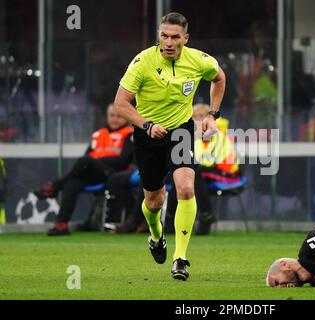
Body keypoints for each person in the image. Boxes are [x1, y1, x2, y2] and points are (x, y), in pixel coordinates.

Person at [114, 12, 226, 281]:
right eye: (164, 35)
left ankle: (181, 258)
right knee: (154, 202)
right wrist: (147, 125)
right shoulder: (142, 63)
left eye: (175, 37)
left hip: (180, 131)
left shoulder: (199, 60)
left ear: (185, 39)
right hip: (147, 135)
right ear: (158, 36)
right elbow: (121, 104)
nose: (168, 42)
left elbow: (219, 78)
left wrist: (212, 114)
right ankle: (156, 236)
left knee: (186, 188)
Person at [34, 104, 134, 236]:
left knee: (84, 161)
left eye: (119, 116)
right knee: (72, 183)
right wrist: (93, 162)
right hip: (94, 173)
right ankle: (61, 224)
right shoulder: (98, 134)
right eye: (112, 115)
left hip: (113, 174)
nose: (115, 119)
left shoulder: (129, 134)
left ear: (126, 117)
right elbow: (88, 156)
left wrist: (97, 161)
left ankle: (55, 185)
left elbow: (123, 161)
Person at [164, 103, 241, 235]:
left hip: (223, 172)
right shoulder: (189, 136)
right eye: (194, 116)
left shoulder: (219, 136)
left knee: (190, 173)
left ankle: (171, 218)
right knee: (185, 173)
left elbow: (221, 159)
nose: (197, 119)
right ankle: (206, 215)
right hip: (201, 172)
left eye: (201, 116)